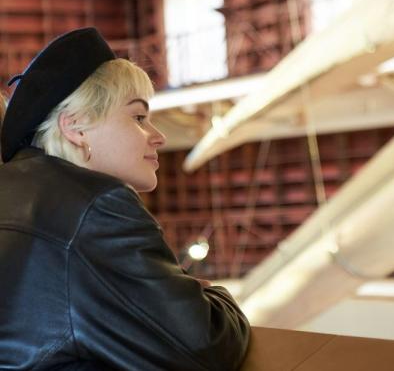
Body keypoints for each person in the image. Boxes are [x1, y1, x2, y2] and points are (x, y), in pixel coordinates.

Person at [0, 28, 250, 370]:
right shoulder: (94, 207)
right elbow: (204, 345)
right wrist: (214, 297)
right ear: (75, 127)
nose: (158, 136)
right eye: (138, 117)